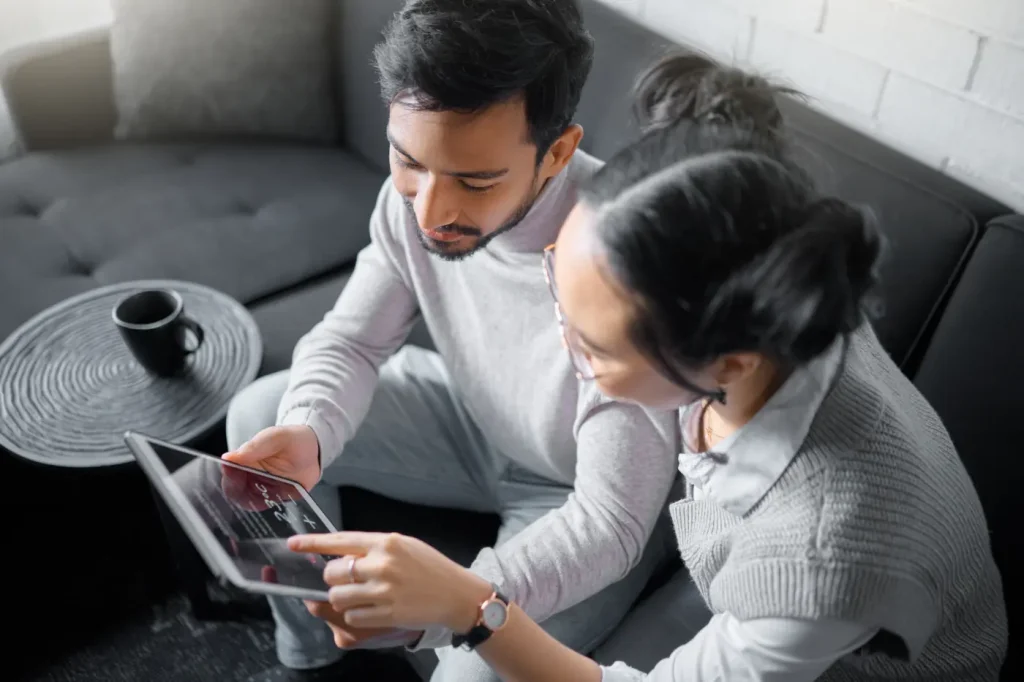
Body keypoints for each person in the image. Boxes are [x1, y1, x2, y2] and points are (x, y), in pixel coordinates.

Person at [290, 55, 1009, 681]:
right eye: (562, 307)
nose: (560, 349)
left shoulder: (824, 559)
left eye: (595, 348)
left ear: (725, 361)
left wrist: (470, 608)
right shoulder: (776, 286)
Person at [223, 1, 682, 681]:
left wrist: (457, 602)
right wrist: (309, 429)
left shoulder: (623, 253)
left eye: (474, 180)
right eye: (408, 161)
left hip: (582, 495)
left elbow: (610, 523)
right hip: (474, 421)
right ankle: (315, 654)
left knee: (473, 670)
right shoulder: (412, 202)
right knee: (264, 418)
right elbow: (351, 341)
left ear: (556, 152)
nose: (431, 212)